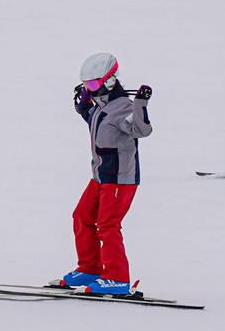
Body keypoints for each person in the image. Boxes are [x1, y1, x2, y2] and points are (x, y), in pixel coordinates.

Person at [51, 53, 153, 296]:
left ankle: (117, 278)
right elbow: (98, 124)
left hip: (119, 178)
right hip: (99, 176)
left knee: (108, 224)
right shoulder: (101, 106)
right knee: (82, 216)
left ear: (109, 80)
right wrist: (84, 108)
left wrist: (140, 104)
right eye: (86, 85)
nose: (90, 89)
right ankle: (90, 269)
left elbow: (142, 130)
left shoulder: (123, 107)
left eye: (94, 85)